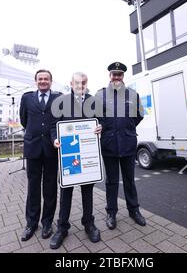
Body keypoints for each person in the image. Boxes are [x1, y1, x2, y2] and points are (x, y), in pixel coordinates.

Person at [49, 72, 102, 249]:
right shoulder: (62, 101)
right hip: (69, 154)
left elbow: (103, 121)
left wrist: (101, 127)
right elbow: (52, 126)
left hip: (87, 155)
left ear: (87, 83)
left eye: (84, 82)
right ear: (71, 83)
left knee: (87, 191)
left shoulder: (94, 100)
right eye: (77, 82)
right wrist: (55, 138)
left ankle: (89, 223)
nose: (80, 85)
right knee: (66, 193)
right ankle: (62, 228)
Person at [95, 62, 146, 230]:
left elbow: (139, 115)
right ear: (109, 76)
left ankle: (134, 210)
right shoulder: (100, 95)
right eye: (113, 74)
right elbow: (96, 118)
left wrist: (127, 127)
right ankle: (111, 213)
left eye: (119, 74)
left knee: (130, 180)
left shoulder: (133, 94)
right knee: (111, 182)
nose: (116, 77)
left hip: (128, 143)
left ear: (123, 76)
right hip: (109, 144)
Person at [19, 69, 62, 241]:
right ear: (35, 81)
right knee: (33, 187)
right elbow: (24, 119)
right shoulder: (26, 98)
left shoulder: (58, 98)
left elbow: (59, 121)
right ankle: (31, 223)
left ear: (51, 81)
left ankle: (47, 223)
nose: (43, 81)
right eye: (40, 79)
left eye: (46, 79)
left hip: (51, 149)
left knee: (50, 188)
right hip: (33, 148)